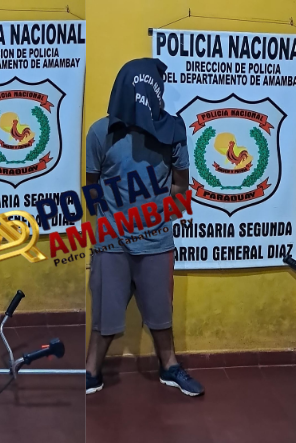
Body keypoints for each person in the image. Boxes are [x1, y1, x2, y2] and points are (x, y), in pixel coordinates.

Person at [85, 58, 204, 397]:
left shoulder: (173, 131)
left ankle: (169, 367)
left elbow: (181, 186)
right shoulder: (100, 133)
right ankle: (91, 371)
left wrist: (154, 215)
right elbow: (92, 189)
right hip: (111, 243)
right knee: (105, 313)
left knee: (160, 314)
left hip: (156, 242)